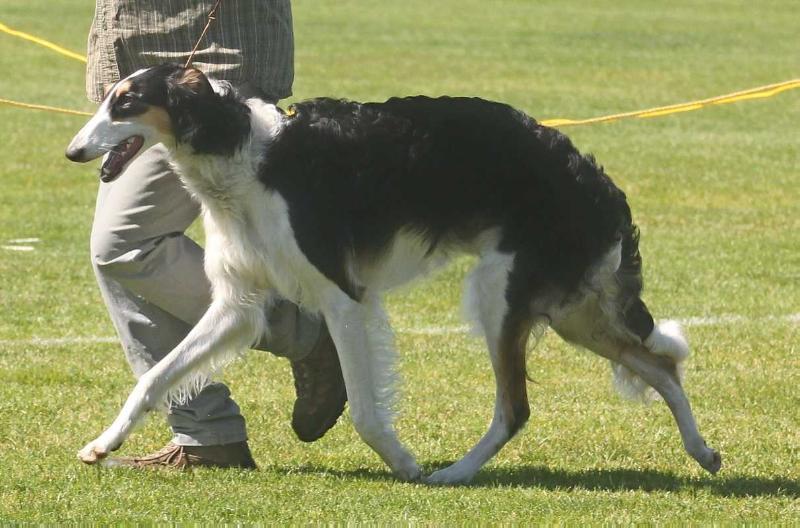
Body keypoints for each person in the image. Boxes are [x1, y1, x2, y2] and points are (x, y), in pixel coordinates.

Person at [85, 0, 346, 469]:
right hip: (130, 61)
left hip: (212, 65)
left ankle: (303, 335)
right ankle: (207, 437)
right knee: (119, 251)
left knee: (123, 245)